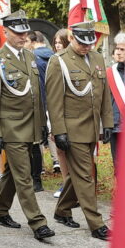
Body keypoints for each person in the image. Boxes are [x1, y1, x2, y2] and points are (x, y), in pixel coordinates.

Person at [0, 10, 55, 240]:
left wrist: (42, 125)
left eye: (25, 32)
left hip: (31, 126)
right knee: (24, 174)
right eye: (17, 32)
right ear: (6, 32)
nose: (23, 36)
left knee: (12, 174)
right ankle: (38, 222)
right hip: (11, 128)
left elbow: (37, 94)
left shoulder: (30, 57)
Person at [46, 21, 113, 241]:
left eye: (89, 43)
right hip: (72, 129)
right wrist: (59, 132)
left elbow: (103, 95)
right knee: (86, 176)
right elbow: (54, 102)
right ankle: (96, 224)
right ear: (72, 37)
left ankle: (62, 210)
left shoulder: (96, 58)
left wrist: (108, 124)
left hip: (92, 128)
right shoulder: (59, 62)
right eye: (82, 43)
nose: (86, 47)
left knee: (80, 174)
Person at [28, 30, 53, 192]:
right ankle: (36, 180)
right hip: (48, 104)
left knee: (33, 144)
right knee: (37, 143)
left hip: (35, 104)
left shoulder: (34, 59)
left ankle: (34, 178)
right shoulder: (52, 56)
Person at [50, 29, 71, 198]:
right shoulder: (53, 61)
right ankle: (66, 182)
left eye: (61, 42)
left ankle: (75, 185)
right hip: (56, 113)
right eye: (56, 42)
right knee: (59, 150)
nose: (58, 45)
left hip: (72, 114)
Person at [107, 33, 125, 171]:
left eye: (123, 49)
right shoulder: (110, 73)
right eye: (117, 48)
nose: (118, 52)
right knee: (119, 165)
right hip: (116, 125)